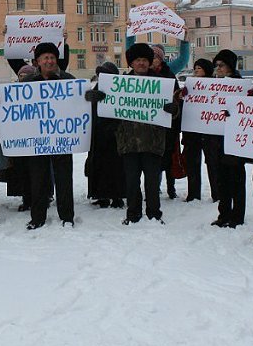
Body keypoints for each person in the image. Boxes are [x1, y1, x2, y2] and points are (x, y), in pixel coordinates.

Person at [88, 43, 179, 224]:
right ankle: (133, 213)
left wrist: (173, 109)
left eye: (145, 60)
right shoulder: (119, 84)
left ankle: (154, 214)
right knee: (131, 181)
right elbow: (105, 109)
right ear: (131, 63)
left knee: (152, 182)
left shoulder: (161, 83)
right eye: (138, 60)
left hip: (153, 141)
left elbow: (175, 113)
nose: (141, 63)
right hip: (128, 141)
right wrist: (95, 98)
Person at [20, 43, 76, 229]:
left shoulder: (68, 80)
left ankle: (67, 217)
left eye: (52, 57)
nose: (50, 61)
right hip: (37, 140)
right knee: (38, 181)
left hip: (62, 139)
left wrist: (90, 97)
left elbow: (81, 102)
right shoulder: (27, 82)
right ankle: (37, 218)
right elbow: (14, 105)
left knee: (64, 180)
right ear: (38, 61)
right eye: (46, 57)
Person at [210, 50, 249, 228]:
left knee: (236, 180)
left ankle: (237, 215)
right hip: (218, 140)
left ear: (230, 66)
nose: (218, 68)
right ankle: (224, 213)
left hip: (236, 140)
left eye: (221, 65)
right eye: (216, 65)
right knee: (222, 180)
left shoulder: (241, 85)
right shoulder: (213, 85)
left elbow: (249, 107)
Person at [84, 61, 126, 209]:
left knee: (116, 167)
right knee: (99, 167)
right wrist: (89, 98)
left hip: (115, 134)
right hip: (98, 135)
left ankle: (117, 196)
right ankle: (101, 195)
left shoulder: (121, 90)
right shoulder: (96, 89)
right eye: (101, 74)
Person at [181, 58, 219, 202]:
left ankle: (217, 193)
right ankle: (193, 193)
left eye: (200, 68)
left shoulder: (216, 86)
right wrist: (182, 96)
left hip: (210, 133)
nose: (196, 70)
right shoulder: (190, 86)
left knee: (213, 164)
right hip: (192, 132)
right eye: (195, 67)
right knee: (192, 164)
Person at [151, 44, 182, 199]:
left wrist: (174, 107)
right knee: (153, 160)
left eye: (155, 57)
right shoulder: (145, 75)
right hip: (151, 125)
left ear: (161, 59)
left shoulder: (169, 74)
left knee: (168, 157)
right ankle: (153, 187)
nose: (153, 60)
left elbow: (177, 98)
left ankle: (171, 188)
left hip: (168, 125)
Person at [5, 64, 37, 213]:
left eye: (26, 76)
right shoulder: (10, 92)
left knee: (36, 173)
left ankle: (38, 199)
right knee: (22, 173)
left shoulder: (39, 91)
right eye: (21, 76)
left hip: (36, 139)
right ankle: (26, 199)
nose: (23, 79)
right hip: (19, 141)